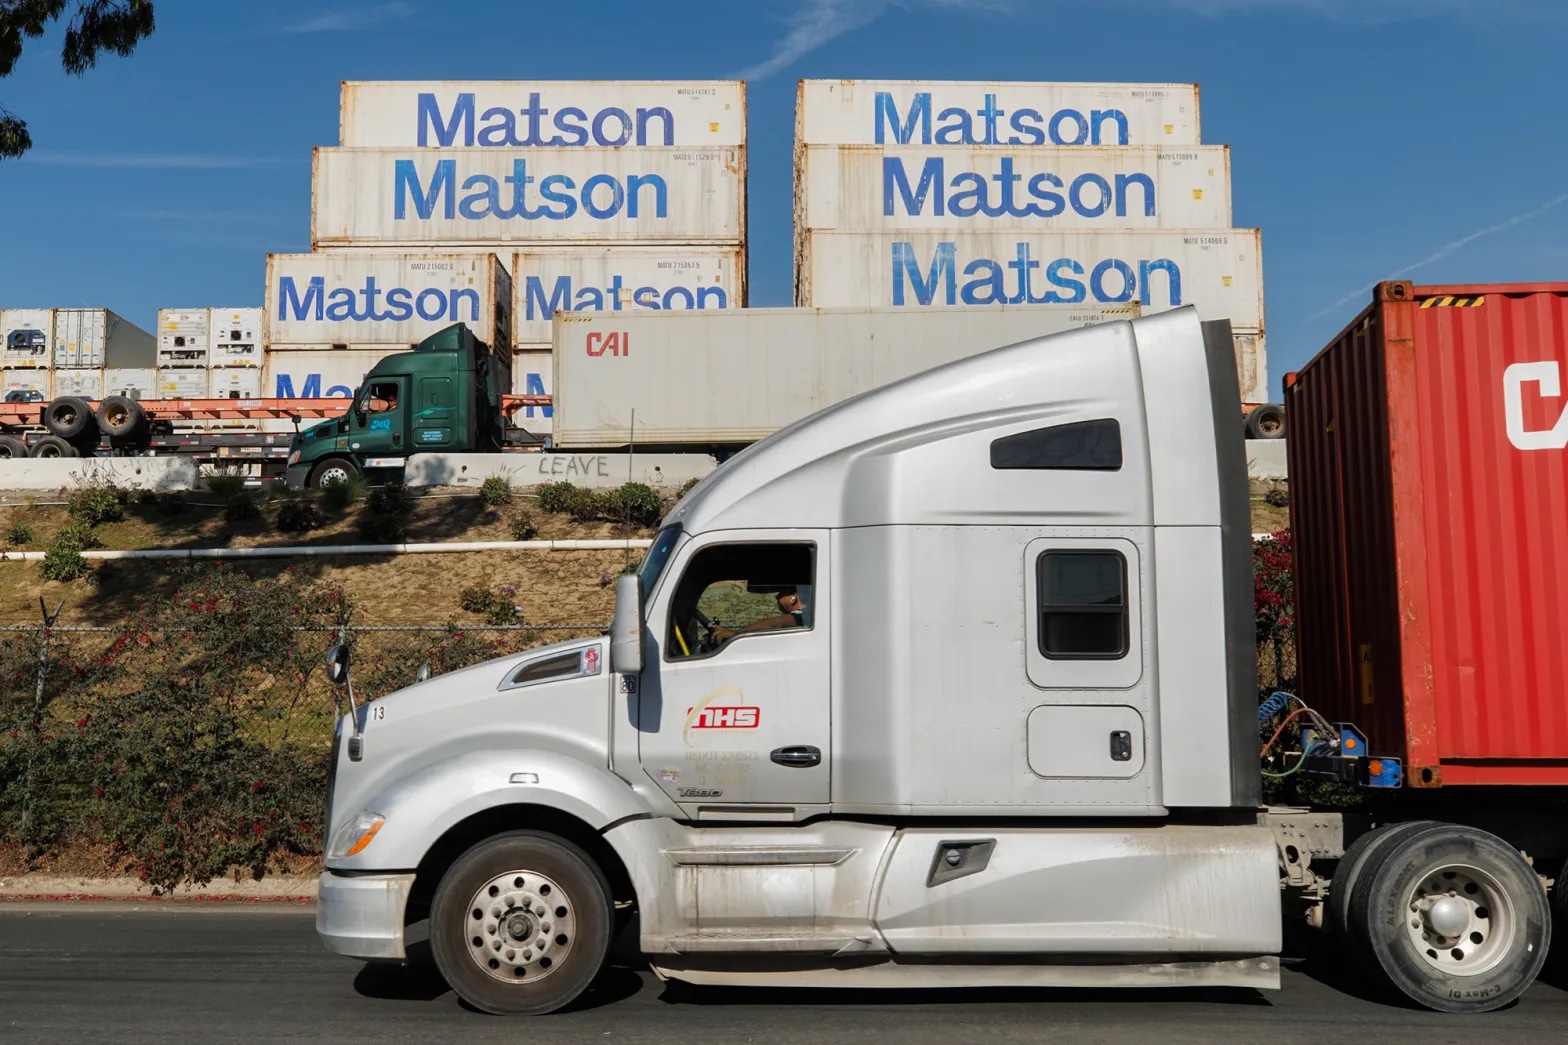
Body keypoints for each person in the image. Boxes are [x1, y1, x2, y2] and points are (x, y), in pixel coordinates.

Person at [710, 587, 807, 645]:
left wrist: (735, 633)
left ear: (793, 598)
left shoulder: (800, 616)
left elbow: (773, 623)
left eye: (780, 595)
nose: (777, 597)